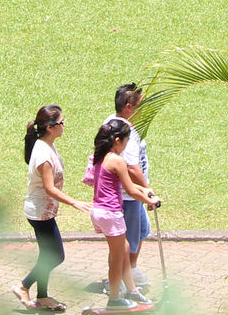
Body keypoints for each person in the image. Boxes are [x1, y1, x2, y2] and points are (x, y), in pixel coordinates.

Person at [85, 119, 159, 309]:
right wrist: (149, 200)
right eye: (126, 141)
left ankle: (132, 290)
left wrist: (146, 191)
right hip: (111, 214)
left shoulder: (103, 156)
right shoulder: (117, 160)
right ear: (117, 140)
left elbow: (131, 186)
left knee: (124, 249)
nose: (126, 146)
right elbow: (131, 190)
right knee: (117, 258)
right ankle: (115, 298)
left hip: (100, 212)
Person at [20, 105, 84, 311]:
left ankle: (42, 297)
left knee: (47, 255)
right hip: (40, 213)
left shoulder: (47, 146)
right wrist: (74, 202)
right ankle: (24, 285)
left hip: (43, 210)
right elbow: (49, 188)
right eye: (61, 123)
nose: (64, 126)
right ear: (50, 127)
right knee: (56, 255)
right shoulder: (43, 155)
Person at [102, 86, 153, 298]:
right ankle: (119, 281)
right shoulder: (125, 132)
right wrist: (148, 191)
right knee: (123, 243)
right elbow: (131, 168)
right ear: (129, 107)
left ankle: (130, 271)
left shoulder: (114, 122)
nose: (145, 110)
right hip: (126, 197)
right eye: (141, 106)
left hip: (129, 196)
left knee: (140, 232)